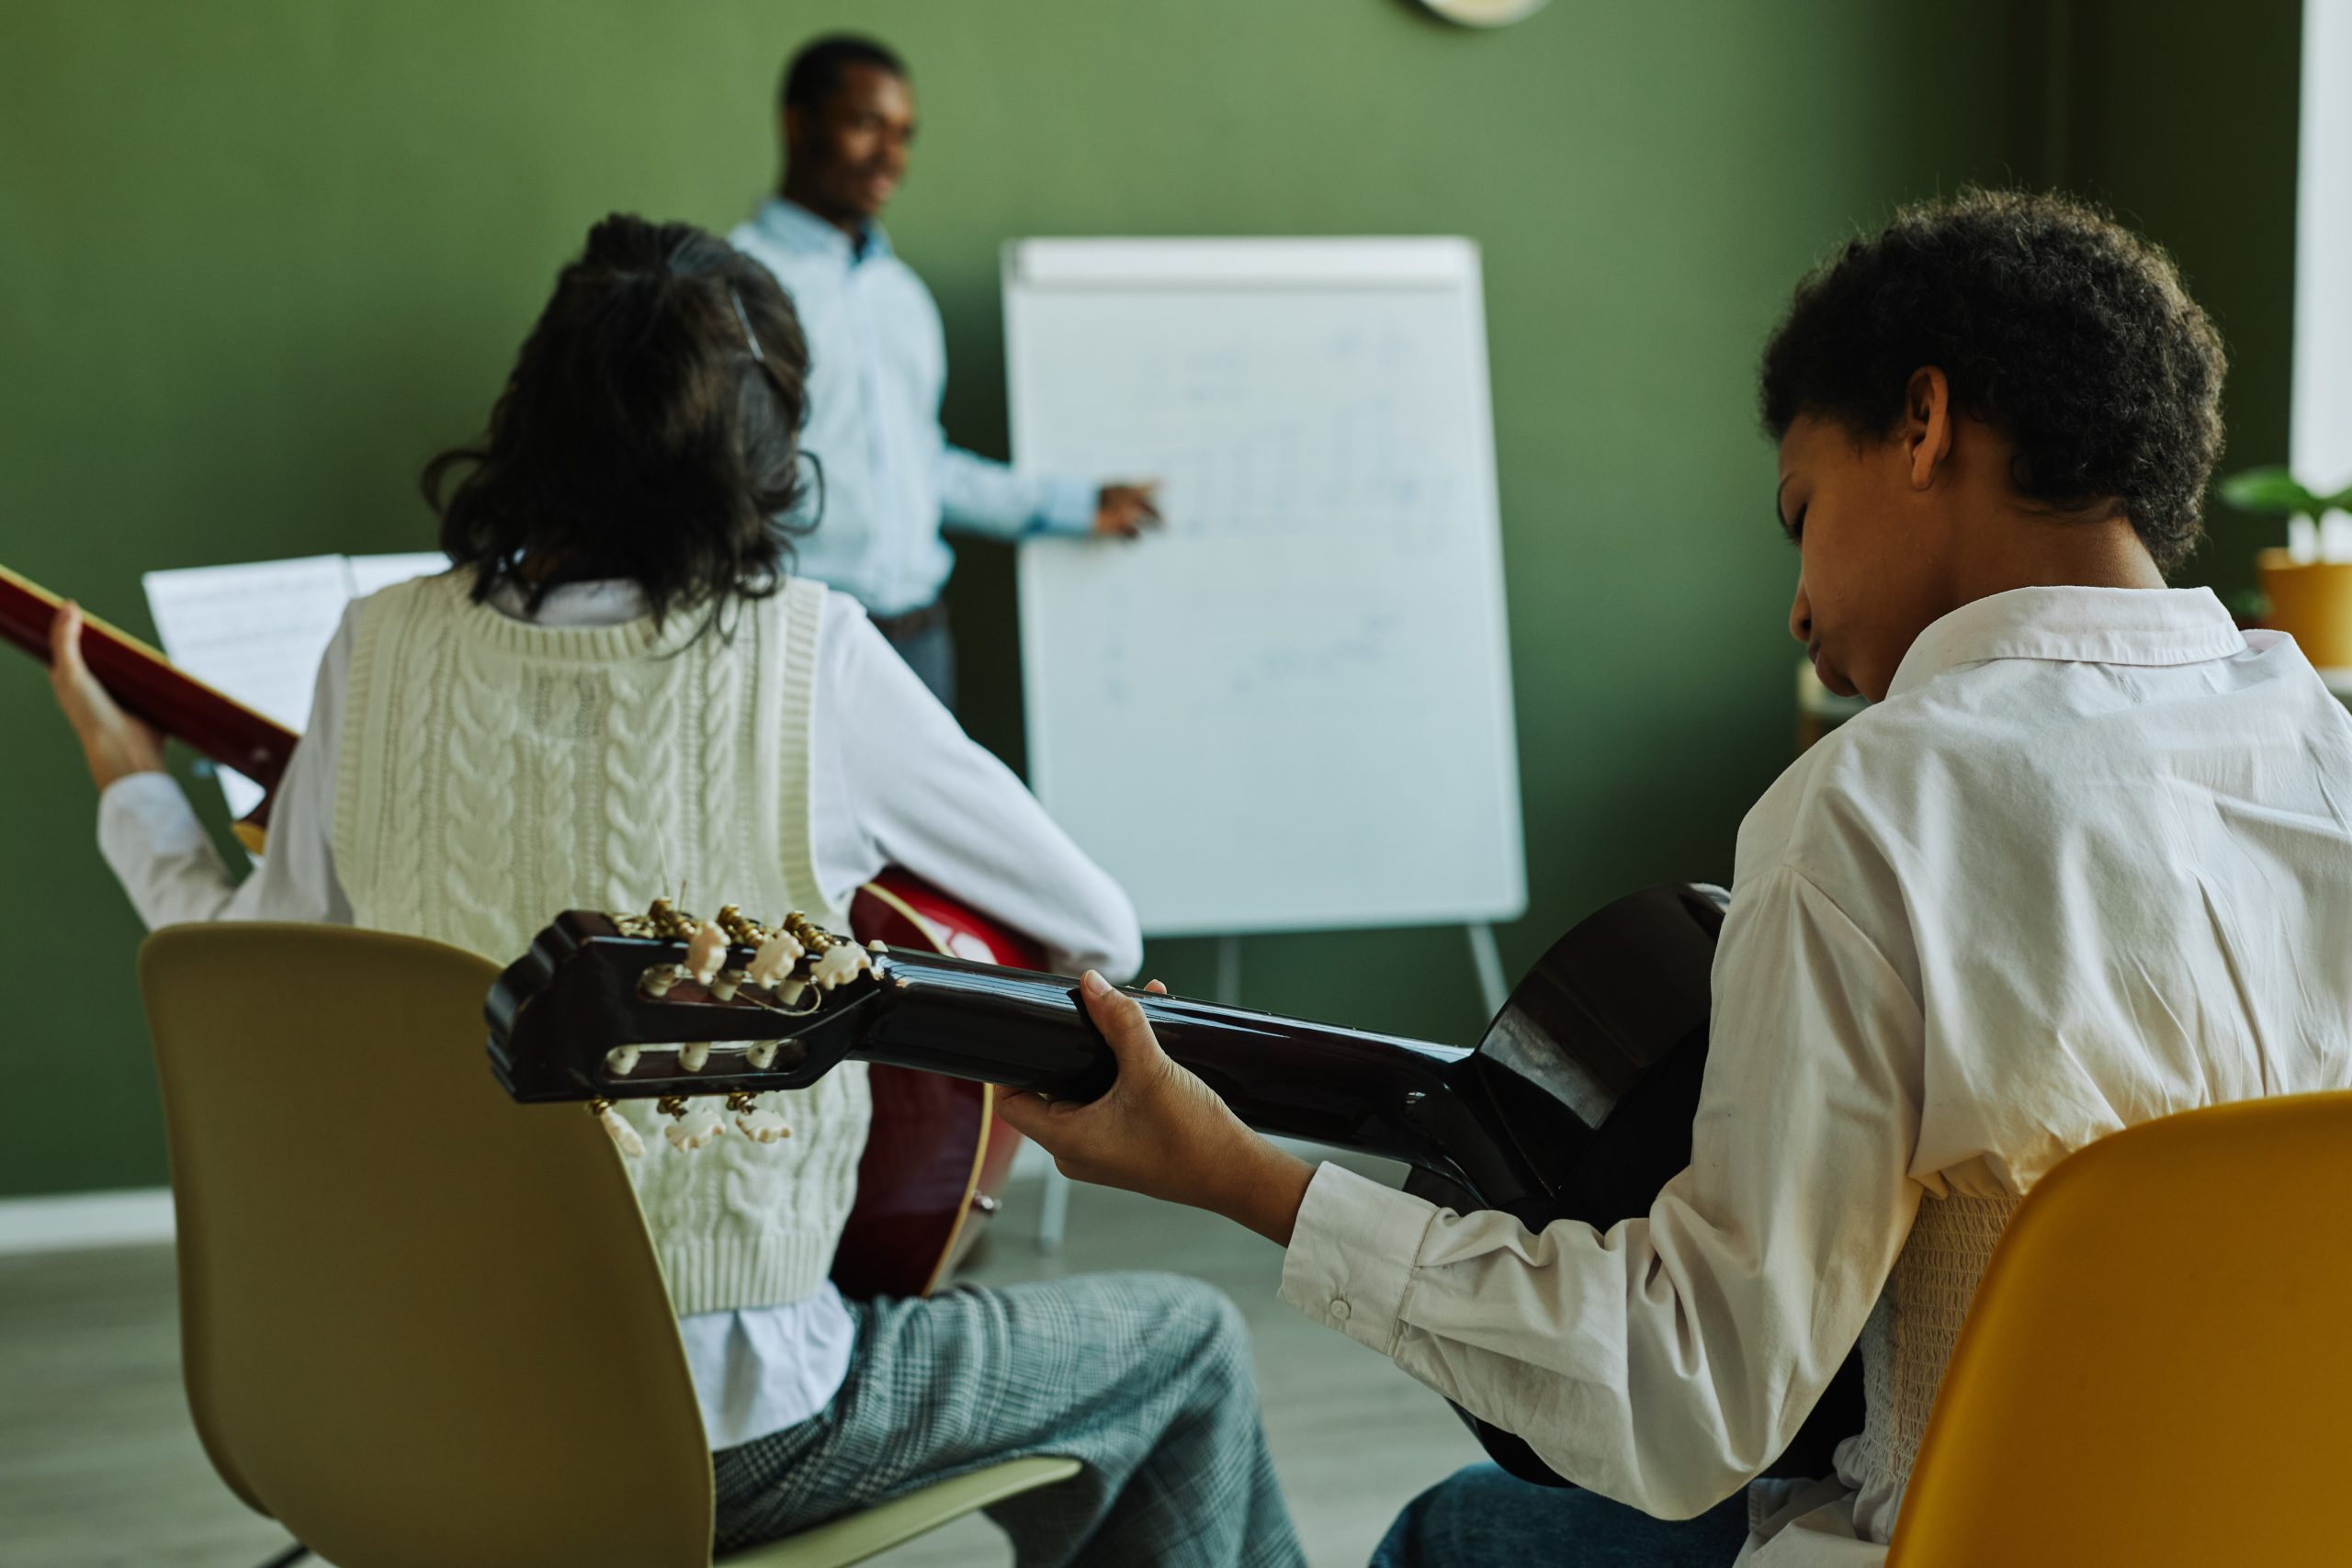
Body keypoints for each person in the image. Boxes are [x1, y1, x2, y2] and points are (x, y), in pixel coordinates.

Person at [997, 189, 2352, 1566]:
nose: (1802, 604)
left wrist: (1247, 1177)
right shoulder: (2331, 753)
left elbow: (1689, 1388)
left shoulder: (1874, 805)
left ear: (1925, 423)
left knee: (1455, 1536)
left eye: (1801, 511)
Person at [49, 215, 1303, 1568]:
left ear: (530, 409)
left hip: (397, 1387)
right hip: (716, 1427)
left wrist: (131, 781)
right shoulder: (809, 658)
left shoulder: (376, 647)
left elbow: (247, 963)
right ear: (765, 453)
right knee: (1182, 1345)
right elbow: (1098, 930)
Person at [729, 34, 1160, 708]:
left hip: (920, 644)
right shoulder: (729, 284)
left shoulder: (901, 299)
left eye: (904, 134)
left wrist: (1075, 504)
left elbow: (922, 467)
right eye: (866, 124)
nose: (891, 157)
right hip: (794, 641)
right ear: (797, 123)